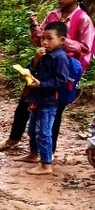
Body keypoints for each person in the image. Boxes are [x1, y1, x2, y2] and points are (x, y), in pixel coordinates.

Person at [0, 0, 94, 155]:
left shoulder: (83, 19)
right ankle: (14, 139)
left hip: (62, 70)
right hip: (42, 66)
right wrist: (35, 29)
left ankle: (47, 153)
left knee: (53, 111)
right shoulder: (53, 15)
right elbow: (39, 41)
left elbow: (86, 48)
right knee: (25, 102)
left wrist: (62, 42)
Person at [16, 22, 71, 174]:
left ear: (61, 40)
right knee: (32, 129)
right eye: (43, 39)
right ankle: (33, 154)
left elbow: (61, 80)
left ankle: (46, 164)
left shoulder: (60, 58)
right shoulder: (42, 55)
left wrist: (41, 84)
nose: (45, 42)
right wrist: (35, 59)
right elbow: (31, 69)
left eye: (49, 39)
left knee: (44, 131)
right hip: (37, 99)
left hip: (49, 101)